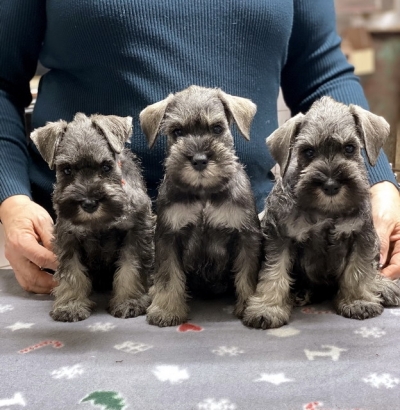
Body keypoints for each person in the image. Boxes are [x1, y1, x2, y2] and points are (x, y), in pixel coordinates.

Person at [1, 0, 400, 294]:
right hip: (73, 244)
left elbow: (322, 74)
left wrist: (380, 183)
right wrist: (11, 199)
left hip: (259, 244)